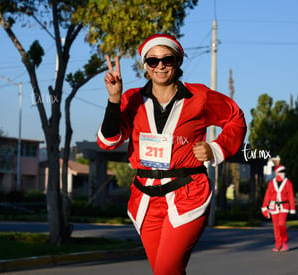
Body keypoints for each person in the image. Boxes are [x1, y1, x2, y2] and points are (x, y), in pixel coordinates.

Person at [97, 33, 247, 274]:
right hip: (145, 198)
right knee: (165, 271)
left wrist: (215, 148)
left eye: (167, 59)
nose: (160, 66)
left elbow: (235, 118)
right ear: (145, 65)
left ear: (177, 62)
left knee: (166, 270)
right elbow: (108, 141)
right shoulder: (131, 99)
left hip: (188, 193)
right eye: (153, 61)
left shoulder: (200, 97)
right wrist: (114, 99)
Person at [261, 165, 296, 252]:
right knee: (276, 227)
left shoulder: (288, 182)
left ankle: (284, 241)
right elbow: (267, 196)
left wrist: (292, 208)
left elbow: (291, 196)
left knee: (281, 224)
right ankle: (278, 245)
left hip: (284, 207)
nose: (283, 173)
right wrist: (264, 207)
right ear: (276, 173)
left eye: (283, 171)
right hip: (274, 207)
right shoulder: (271, 183)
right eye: (281, 171)